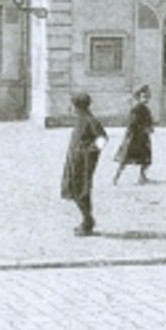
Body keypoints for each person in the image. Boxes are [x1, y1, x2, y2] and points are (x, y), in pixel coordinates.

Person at [60, 91, 108, 235]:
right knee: (75, 189)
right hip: (75, 161)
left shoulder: (90, 120)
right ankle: (87, 220)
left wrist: (89, 152)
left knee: (81, 191)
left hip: (83, 163)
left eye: (73, 106)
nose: (71, 109)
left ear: (78, 106)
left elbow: (102, 138)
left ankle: (88, 222)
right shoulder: (80, 119)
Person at [113, 83, 155, 184]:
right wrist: (143, 129)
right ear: (139, 97)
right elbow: (132, 124)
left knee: (146, 158)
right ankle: (116, 177)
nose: (146, 99)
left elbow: (149, 121)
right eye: (144, 97)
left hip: (143, 138)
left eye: (148, 97)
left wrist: (150, 128)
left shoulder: (146, 109)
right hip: (134, 138)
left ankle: (142, 177)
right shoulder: (136, 110)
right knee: (125, 159)